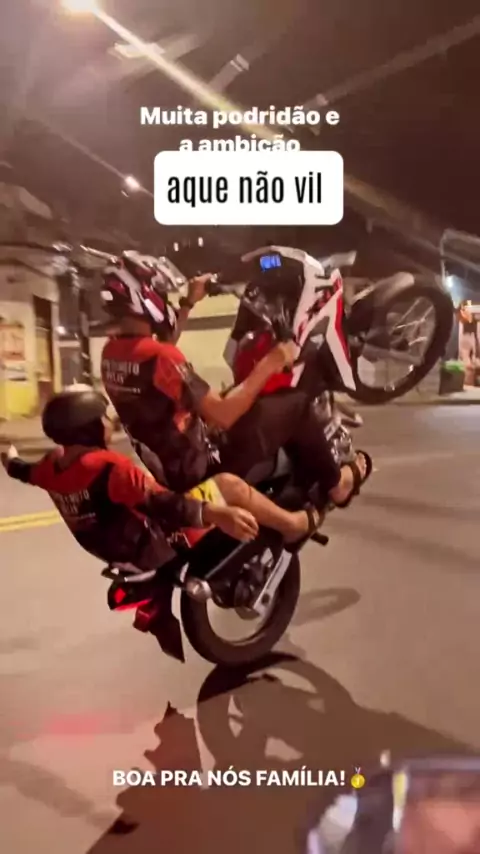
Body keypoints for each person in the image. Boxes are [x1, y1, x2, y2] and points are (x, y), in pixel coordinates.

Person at [100, 252, 371, 515]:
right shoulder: (163, 358)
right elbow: (224, 414)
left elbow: (160, 352)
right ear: (144, 296)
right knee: (295, 402)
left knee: (242, 396)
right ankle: (336, 485)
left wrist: (188, 303)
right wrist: (272, 362)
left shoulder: (112, 354)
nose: (163, 298)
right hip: (208, 464)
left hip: (172, 468)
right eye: (160, 292)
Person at [0, 387, 321, 571]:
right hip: (151, 547)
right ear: (87, 427)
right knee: (228, 484)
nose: (109, 423)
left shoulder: (50, 466)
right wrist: (216, 513)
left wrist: (9, 456)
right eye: (102, 418)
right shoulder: (109, 467)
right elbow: (163, 504)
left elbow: (20, 470)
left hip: (111, 552)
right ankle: (292, 524)